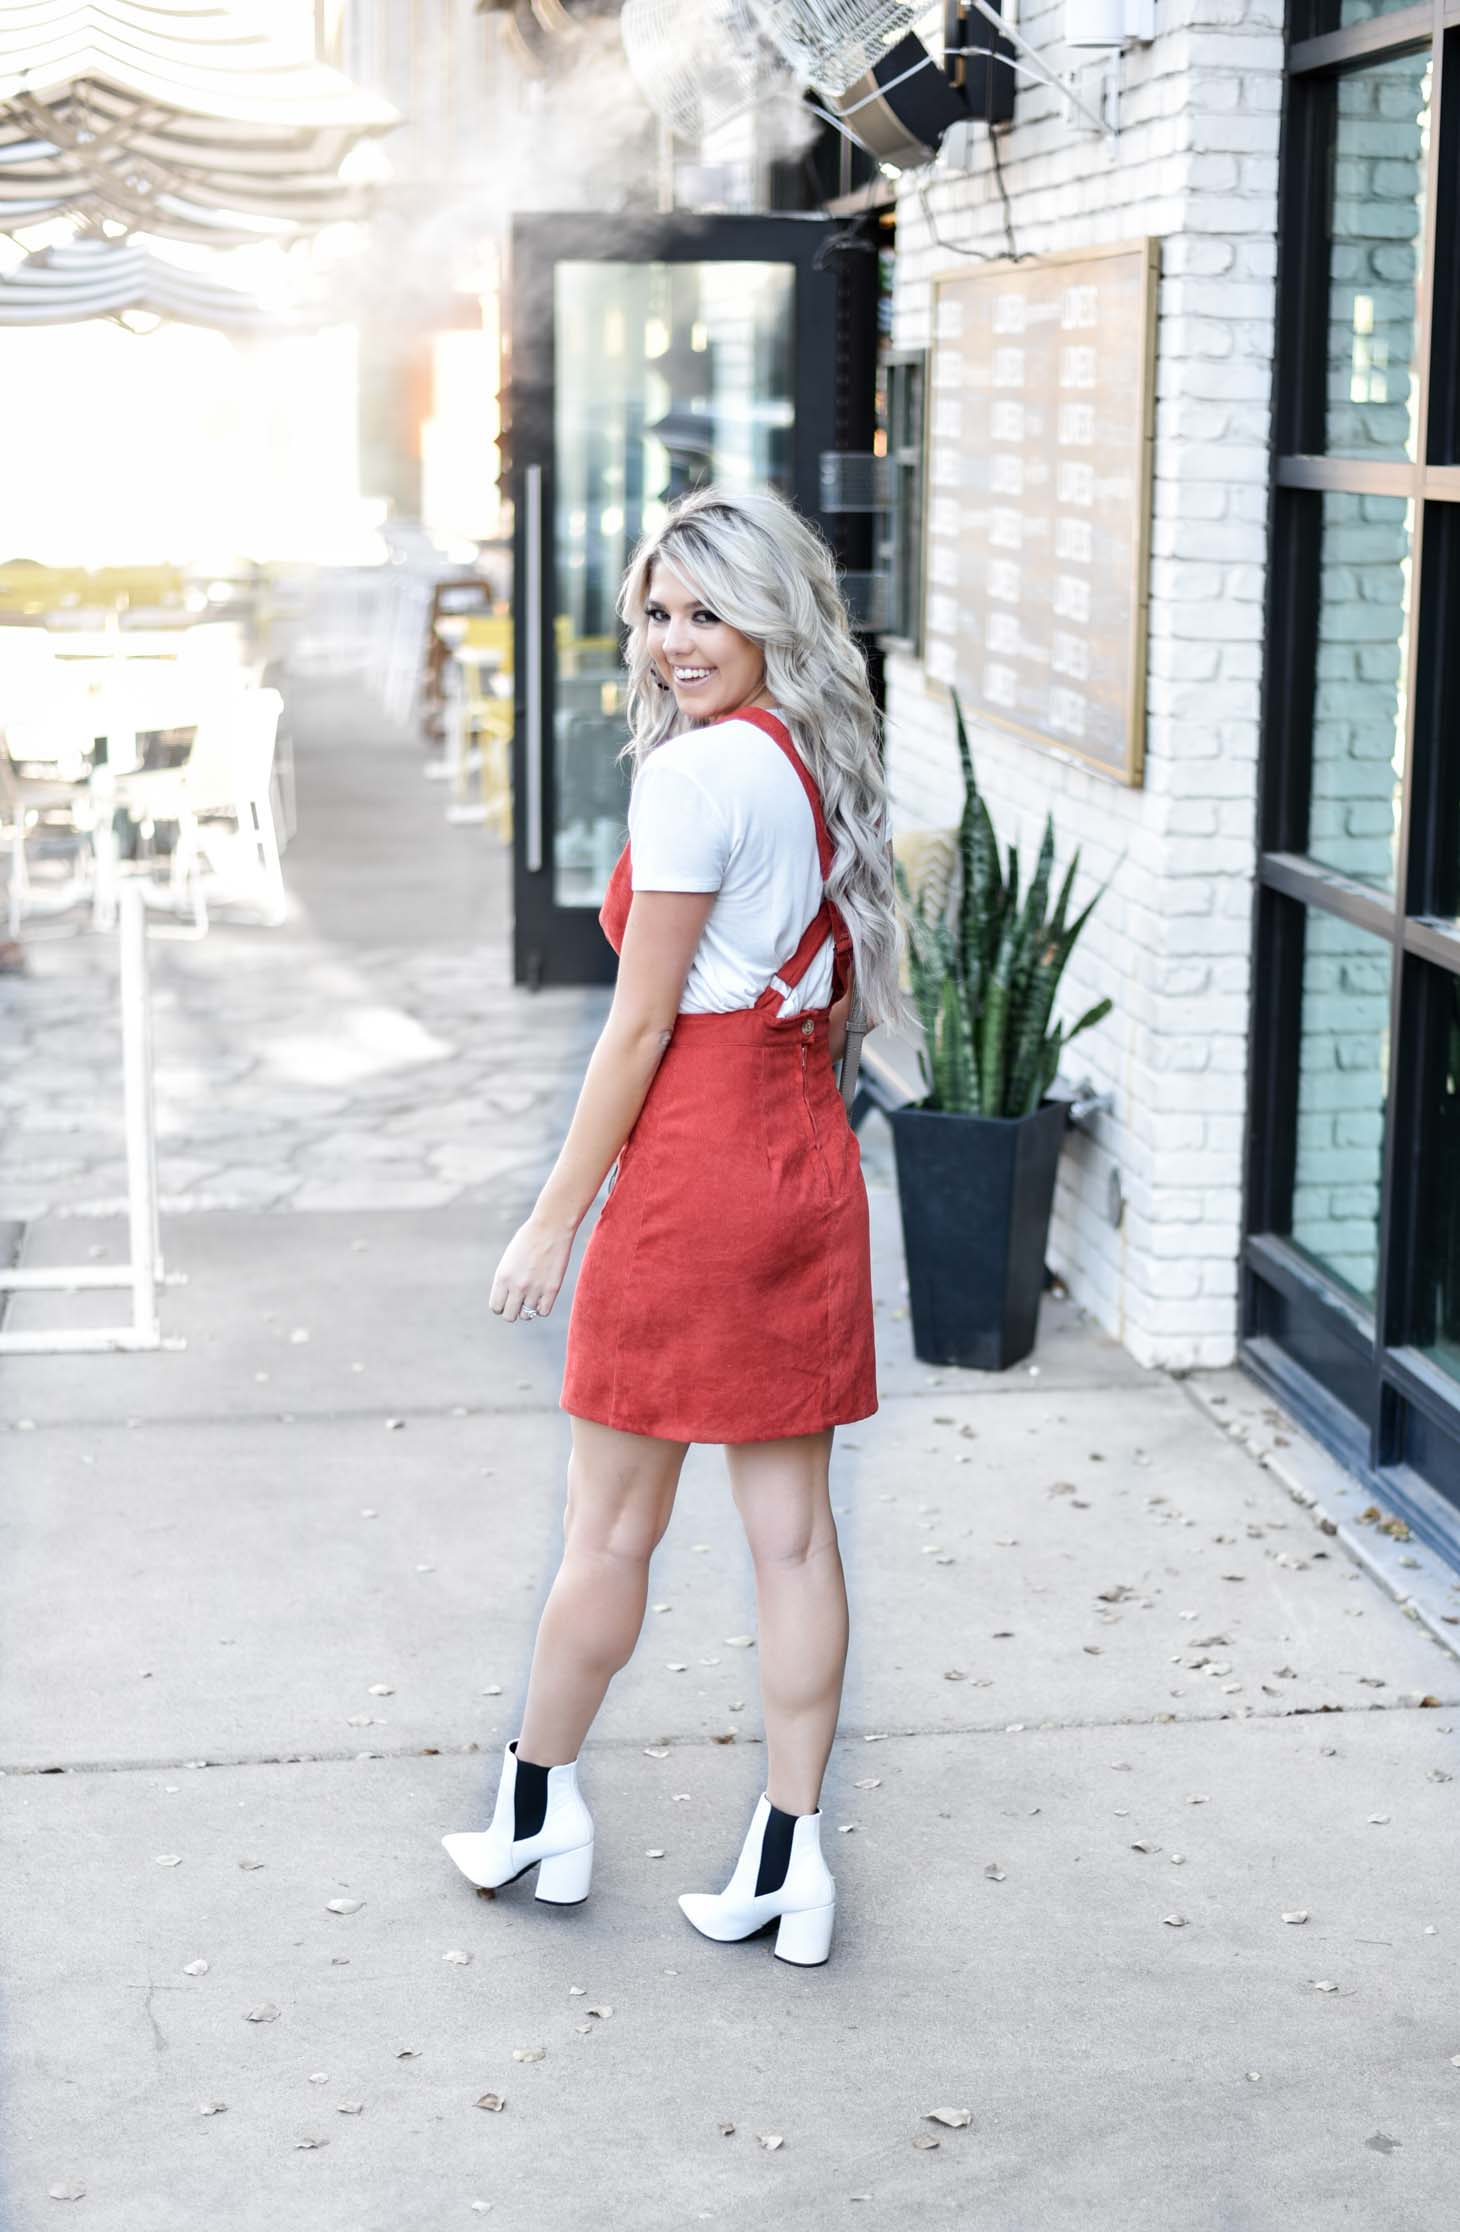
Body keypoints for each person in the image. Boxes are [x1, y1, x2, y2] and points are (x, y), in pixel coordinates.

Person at [441, 485, 913, 1968]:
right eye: (657, 611)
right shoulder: (817, 758)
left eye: (706, 611)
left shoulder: (694, 779)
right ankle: (790, 1857)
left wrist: (550, 1217)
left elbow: (641, 1026)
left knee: (610, 1525)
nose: (673, 641)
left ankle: (534, 1809)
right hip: (801, 1161)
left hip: (700, 1164)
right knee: (790, 1542)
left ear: (771, 613)